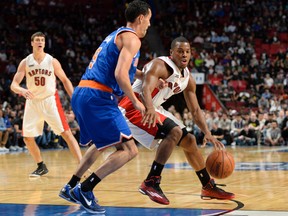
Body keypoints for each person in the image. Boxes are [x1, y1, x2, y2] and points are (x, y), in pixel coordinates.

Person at [59, 0, 152, 214]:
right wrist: (137, 102)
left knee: (103, 144)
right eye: (148, 19)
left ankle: (71, 185)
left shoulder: (117, 34)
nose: (149, 24)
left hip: (83, 92)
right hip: (99, 96)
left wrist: (143, 74)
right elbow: (120, 75)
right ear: (141, 18)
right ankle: (85, 188)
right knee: (130, 150)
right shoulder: (133, 39)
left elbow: (123, 68)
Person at [118, 36, 234, 205]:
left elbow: (195, 110)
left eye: (187, 52)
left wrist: (207, 133)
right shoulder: (160, 65)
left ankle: (207, 186)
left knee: (190, 140)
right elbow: (144, 90)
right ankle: (151, 182)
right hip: (134, 107)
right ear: (172, 53)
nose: (184, 55)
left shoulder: (188, 78)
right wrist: (150, 110)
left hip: (153, 107)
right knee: (174, 132)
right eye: (180, 51)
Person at [10, 32, 82, 177]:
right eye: (37, 40)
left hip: (50, 101)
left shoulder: (52, 61)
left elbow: (65, 80)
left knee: (66, 133)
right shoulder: (25, 62)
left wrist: (74, 98)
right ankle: (41, 166)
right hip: (32, 102)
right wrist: (22, 91)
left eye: (42, 40)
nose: (40, 42)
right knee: (27, 138)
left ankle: (82, 165)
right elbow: (14, 84)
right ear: (32, 43)